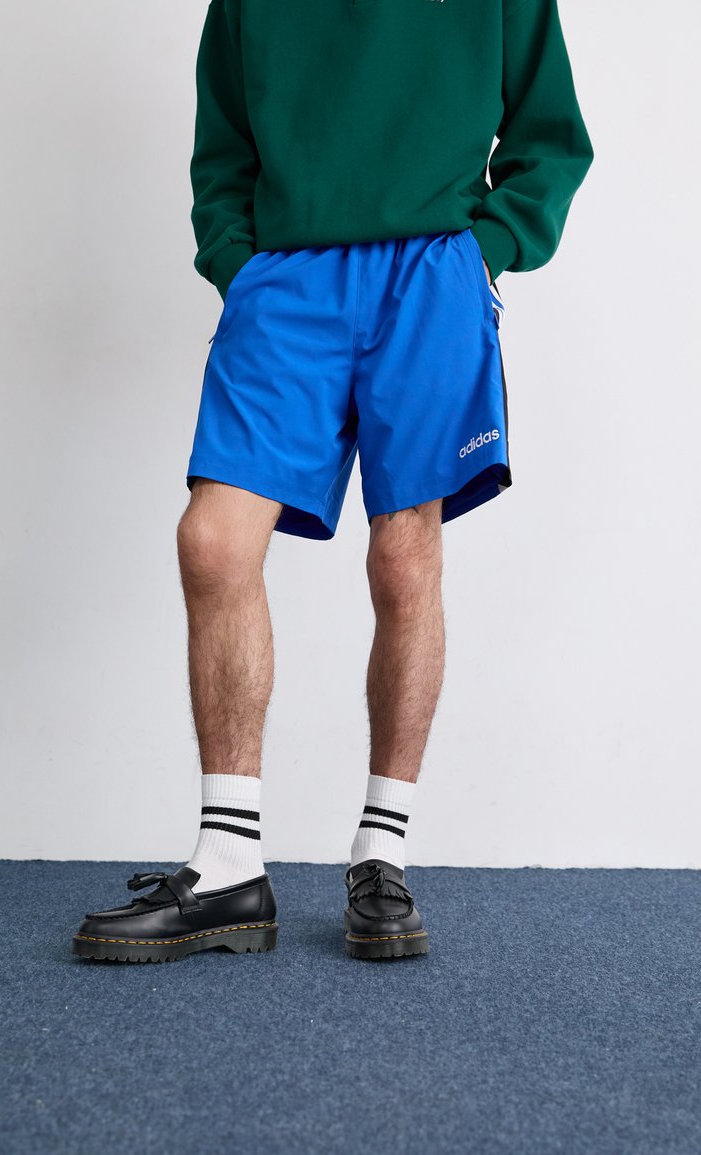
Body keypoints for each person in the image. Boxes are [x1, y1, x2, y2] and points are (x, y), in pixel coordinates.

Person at [72, 0, 593, 963]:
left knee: (403, 558)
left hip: (431, 270)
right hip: (288, 279)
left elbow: (550, 132)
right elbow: (224, 144)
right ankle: (229, 863)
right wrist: (241, 267)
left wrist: (486, 253)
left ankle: (381, 851)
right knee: (212, 540)